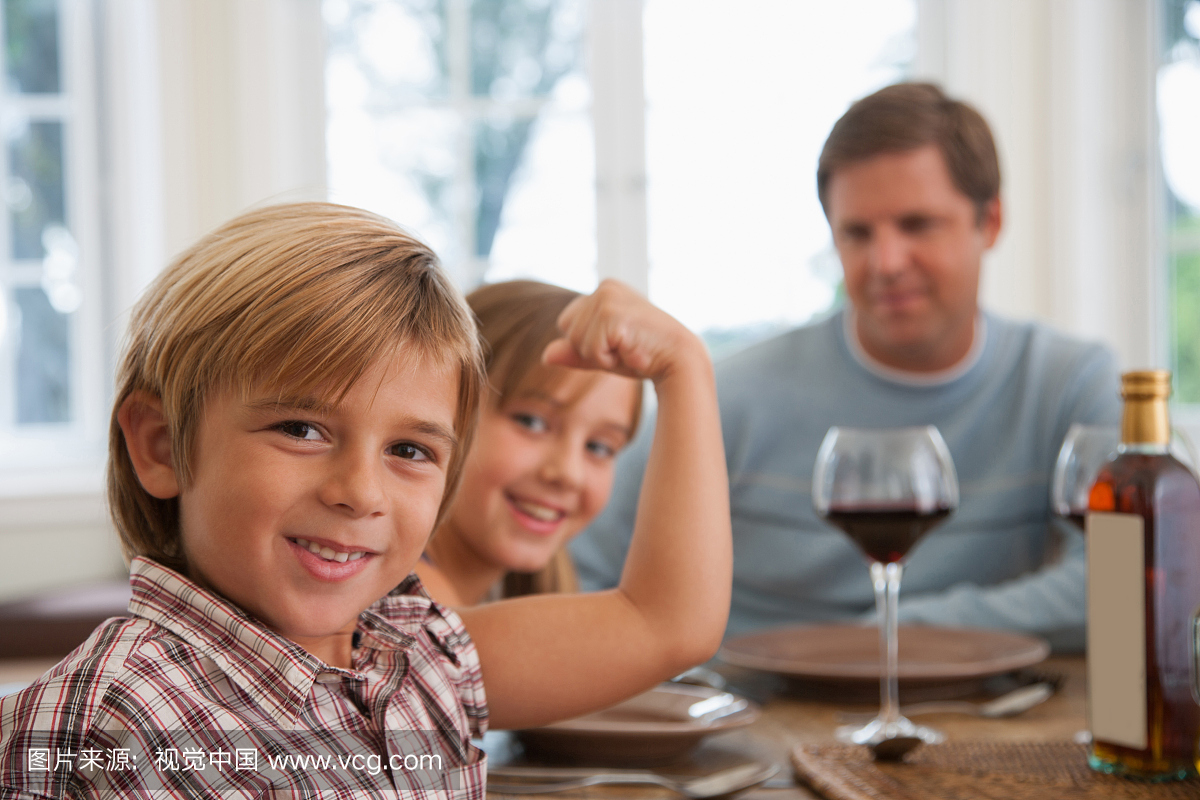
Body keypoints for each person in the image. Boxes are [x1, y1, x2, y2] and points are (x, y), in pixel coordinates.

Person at [0, 203, 730, 798]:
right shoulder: (116, 724)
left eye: (410, 451)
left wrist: (683, 369)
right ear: (162, 446)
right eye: (302, 429)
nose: (359, 492)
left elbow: (667, 621)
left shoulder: (419, 660)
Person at [571, 82, 1120, 653]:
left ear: (991, 222)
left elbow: (1120, 584)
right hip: (748, 715)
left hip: (974, 720)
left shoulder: (1069, 384)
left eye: (916, 225)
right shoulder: (726, 398)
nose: (884, 263)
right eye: (857, 233)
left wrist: (887, 637)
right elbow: (578, 569)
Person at [418, 280, 644, 606]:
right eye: (531, 422)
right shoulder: (405, 600)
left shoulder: (520, 592)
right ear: (442, 410)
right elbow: (672, 629)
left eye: (598, 447)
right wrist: (686, 364)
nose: (569, 473)